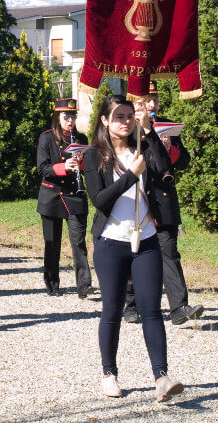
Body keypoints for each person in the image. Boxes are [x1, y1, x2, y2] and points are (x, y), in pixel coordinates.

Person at [82, 94, 184, 402]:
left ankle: (162, 378)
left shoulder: (143, 147)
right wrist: (131, 176)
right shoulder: (93, 155)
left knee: (152, 309)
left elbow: (166, 169)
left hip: (147, 238)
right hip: (112, 241)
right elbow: (99, 200)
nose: (126, 122)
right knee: (112, 309)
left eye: (130, 116)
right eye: (119, 117)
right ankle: (109, 374)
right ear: (104, 121)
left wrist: (149, 130)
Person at [123, 89, 203, 326]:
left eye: (154, 99)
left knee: (169, 253)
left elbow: (185, 160)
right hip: (136, 197)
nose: (151, 103)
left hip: (162, 198)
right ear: (136, 103)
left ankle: (179, 307)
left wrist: (171, 150)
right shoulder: (127, 126)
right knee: (133, 253)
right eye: (146, 99)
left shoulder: (167, 126)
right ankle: (132, 305)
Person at [35, 98, 94, 298]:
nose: (70, 120)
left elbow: (90, 170)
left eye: (73, 116)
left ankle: (84, 285)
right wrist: (63, 167)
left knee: (78, 242)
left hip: (75, 195)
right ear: (57, 117)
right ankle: (52, 283)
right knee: (52, 243)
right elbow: (42, 169)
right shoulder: (47, 138)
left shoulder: (82, 139)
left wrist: (82, 163)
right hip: (51, 195)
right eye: (66, 116)